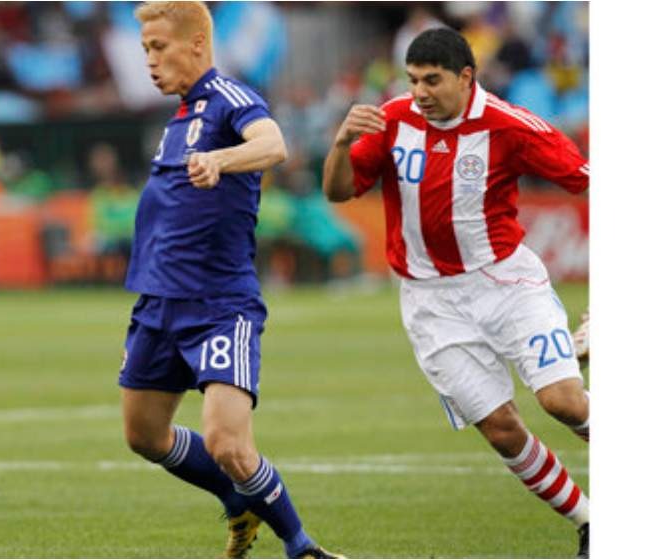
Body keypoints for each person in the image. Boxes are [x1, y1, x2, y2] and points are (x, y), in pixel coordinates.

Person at [322, 28, 589, 557]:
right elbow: (338, 190)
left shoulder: (510, 125)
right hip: (430, 302)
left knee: (561, 402)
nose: (419, 92)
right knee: (500, 428)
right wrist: (340, 143)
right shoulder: (393, 119)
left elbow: (587, 178)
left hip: (505, 284)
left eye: (432, 80)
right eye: (412, 80)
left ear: (466, 77)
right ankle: (591, 523)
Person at [119, 3, 339, 558]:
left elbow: (274, 145)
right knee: (144, 436)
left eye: (158, 47)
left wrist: (221, 159)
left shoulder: (229, 98)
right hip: (158, 304)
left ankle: (300, 544)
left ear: (196, 43)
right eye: (145, 49)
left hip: (219, 304)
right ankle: (236, 502)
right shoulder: (178, 117)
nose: (149, 60)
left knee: (227, 443)